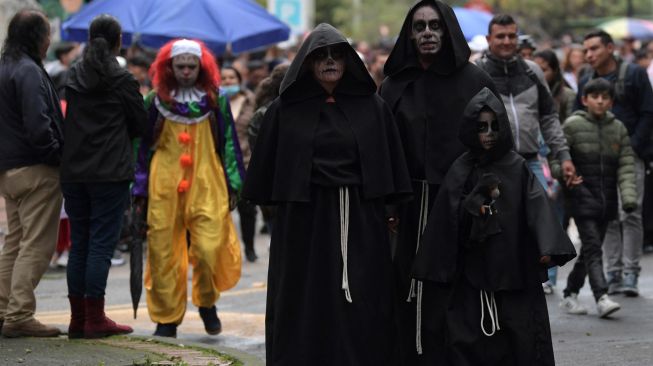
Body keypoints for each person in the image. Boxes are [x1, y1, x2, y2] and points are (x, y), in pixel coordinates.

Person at [242, 23, 412, 365]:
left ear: (349, 61)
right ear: (307, 62)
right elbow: (266, 173)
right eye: (320, 55)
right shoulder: (285, 110)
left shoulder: (372, 107)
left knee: (363, 292)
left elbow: (389, 165)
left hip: (360, 218)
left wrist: (389, 208)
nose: (330, 61)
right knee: (306, 293)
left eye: (337, 54)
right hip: (305, 219)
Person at [411, 87, 576, 365]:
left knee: (520, 336)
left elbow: (536, 205)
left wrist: (547, 245)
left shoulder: (516, 166)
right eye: (481, 126)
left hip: (513, 268)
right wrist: (472, 207)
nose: (488, 133)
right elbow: (446, 219)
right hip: (471, 272)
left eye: (494, 126)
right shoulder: (460, 169)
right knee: (468, 338)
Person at [378, 1, 498, 362]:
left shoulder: (475, 81)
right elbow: (383, 150)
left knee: (460, 282)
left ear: (447, 31)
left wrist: (486, 196)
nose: (427, 33)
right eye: (419, 27)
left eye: (434, 25)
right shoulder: (395, 85)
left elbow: (495, 144)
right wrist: (390, 205)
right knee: (410, 285)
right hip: (411, 204)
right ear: (410, 34)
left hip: (463, 202)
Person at [133, 39, 245, 338]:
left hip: (207, 183)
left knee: (208, 248)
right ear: (169, 68)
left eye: (191, 66)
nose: (185, 71)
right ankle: (166, 318)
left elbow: (230, 143)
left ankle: (207, 302)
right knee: (162, 253)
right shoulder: (156, 101)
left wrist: (234, 182)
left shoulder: (214, 99)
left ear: (201, 66)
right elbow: (141, 148)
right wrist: (139, 188)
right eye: (180, 66)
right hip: (164, 186)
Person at [60, 14, 147, 338]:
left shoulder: (73, 75)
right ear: (118, 41)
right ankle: (94, 319)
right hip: (108, 172)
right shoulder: (121, 79)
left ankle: (77, 319)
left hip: (74, 171)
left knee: (79, 243)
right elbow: (141, 122)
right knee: (100, 245)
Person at [0, 9, 64, 338]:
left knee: (14, 242)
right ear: (39, 38)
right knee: (36, 245)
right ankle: (20, 314)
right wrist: (55, 154)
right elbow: (38, 124)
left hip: (8, 170)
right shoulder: (28, 71)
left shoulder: (4, 66)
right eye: (47, 34)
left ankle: (4, 308)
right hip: (37, 169)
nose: (50, 40)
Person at [576, 30, 653, 296]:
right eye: (586, 50)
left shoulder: (633, 74)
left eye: (594, 48)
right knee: (607, 214)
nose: (589, 55)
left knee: (631, 212)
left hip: (631, 155)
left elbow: (647, 113)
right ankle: (614, 272)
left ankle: (631, 273)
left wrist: (634, 146)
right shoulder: (586, 78)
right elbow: (578, 116)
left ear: (610, 48)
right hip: (598, 161)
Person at [555, 78, 636, 318]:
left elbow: (626, 165)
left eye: (605, 97)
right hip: (580, 197)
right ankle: (601, 296)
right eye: (595, 96)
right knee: (592, 247)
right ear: (584, 100)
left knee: (592, 250)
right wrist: (564, 175)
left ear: (611, 102)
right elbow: (557, 156)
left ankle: (570, 293)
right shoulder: (572, 125)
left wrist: (629, 198)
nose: (600, 101)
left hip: (607, 201)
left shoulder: (618, 129)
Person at [477, 15, 576, 191]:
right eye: (500, 36)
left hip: (530, 162)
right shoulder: (478, 72)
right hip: (492, 165)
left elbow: (548, 117)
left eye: (512, 36)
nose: (507, 41)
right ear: (488, 39)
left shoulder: (532, 70)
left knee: (542, 216)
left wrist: (563, 155)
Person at [221, 66, 258, 262]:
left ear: (239, 79)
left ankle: (250, 248)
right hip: (221, 164)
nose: (228, 81)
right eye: (223, 78)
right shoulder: (214, 102)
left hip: (246, 161)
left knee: (248, 209)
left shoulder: (252, 101)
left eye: (231, 77)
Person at [533, 49, 577, 124]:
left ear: (554, 71)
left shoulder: (568, 95)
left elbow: (572, 127)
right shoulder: (527, 94)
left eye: (543, 70)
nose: (538, 74)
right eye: (535, 69)